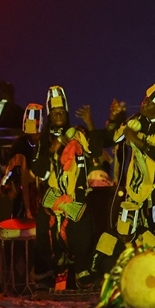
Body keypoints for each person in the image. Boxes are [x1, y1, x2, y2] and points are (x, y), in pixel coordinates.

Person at [85, 77, 155, 261]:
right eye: (145, 99)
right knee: (123, 232)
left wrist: (137, 140)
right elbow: (110, 139)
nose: (144, 104)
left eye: (151, 102)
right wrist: (113, 120)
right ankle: (102, 271)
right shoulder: (135, 120)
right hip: (134, 193)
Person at [30, 86, 96, 290]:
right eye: (55, 113)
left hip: (75, 196)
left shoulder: (79, 133)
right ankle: (55, 272)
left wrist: (89, 122)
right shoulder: (43, 140)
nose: (58, 116)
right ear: (50, 115)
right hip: (53, 199)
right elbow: (38, 169)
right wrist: (54, 147)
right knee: (46, 237)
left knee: (81, 236)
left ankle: (82, 273)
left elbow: (97, 149)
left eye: (62, 112)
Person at [0, 104, 44, 221]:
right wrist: (6, 182)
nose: (33, 135)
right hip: (23, 195)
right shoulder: (19, 144)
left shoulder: (47, 143)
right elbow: (11, 168)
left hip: (44, 194)